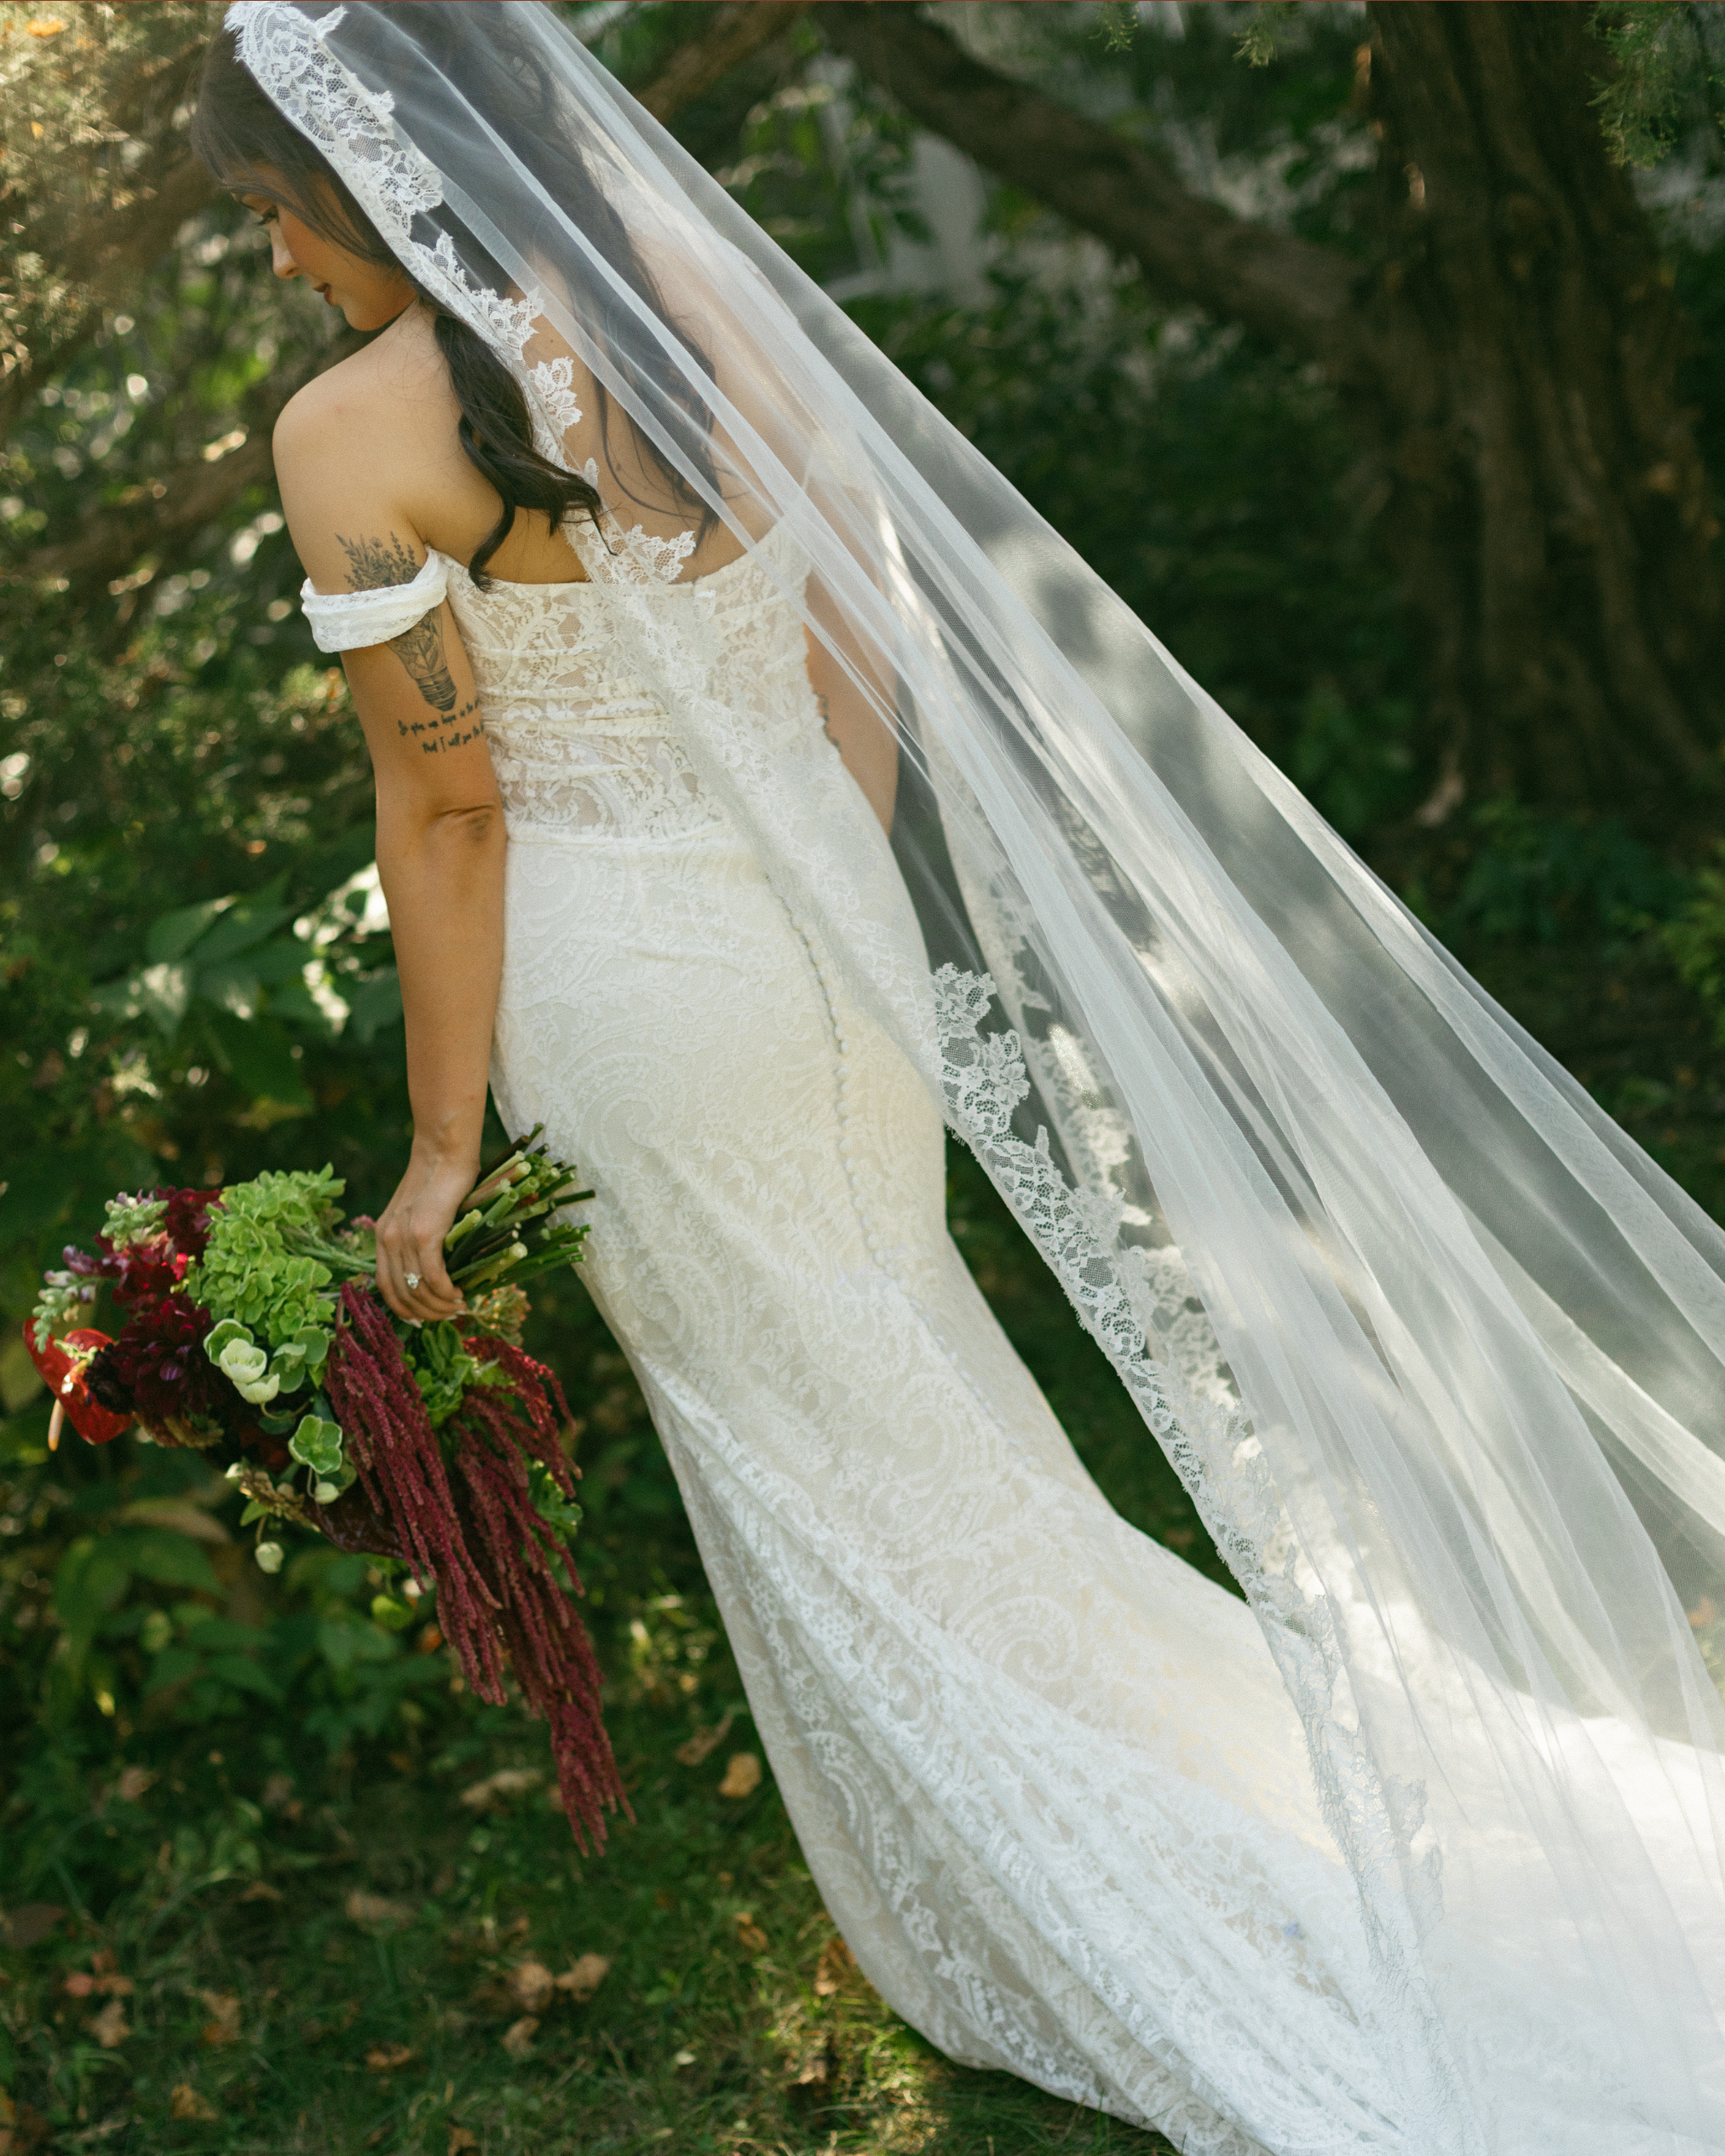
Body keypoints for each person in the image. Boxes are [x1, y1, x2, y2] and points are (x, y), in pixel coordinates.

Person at [194, 7, 1725, 2150]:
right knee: (920, 1398)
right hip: (823, 934)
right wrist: (833, 886)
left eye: (273, 211)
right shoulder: (680, 287)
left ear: (361, 167)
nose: (276, 258)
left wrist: (441, 1147)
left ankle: (1066, 1874)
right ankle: (1112, 1806)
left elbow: (447, 812)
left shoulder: (351, 431)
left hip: (630, 992)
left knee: (819, 1450)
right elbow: (858, 627)